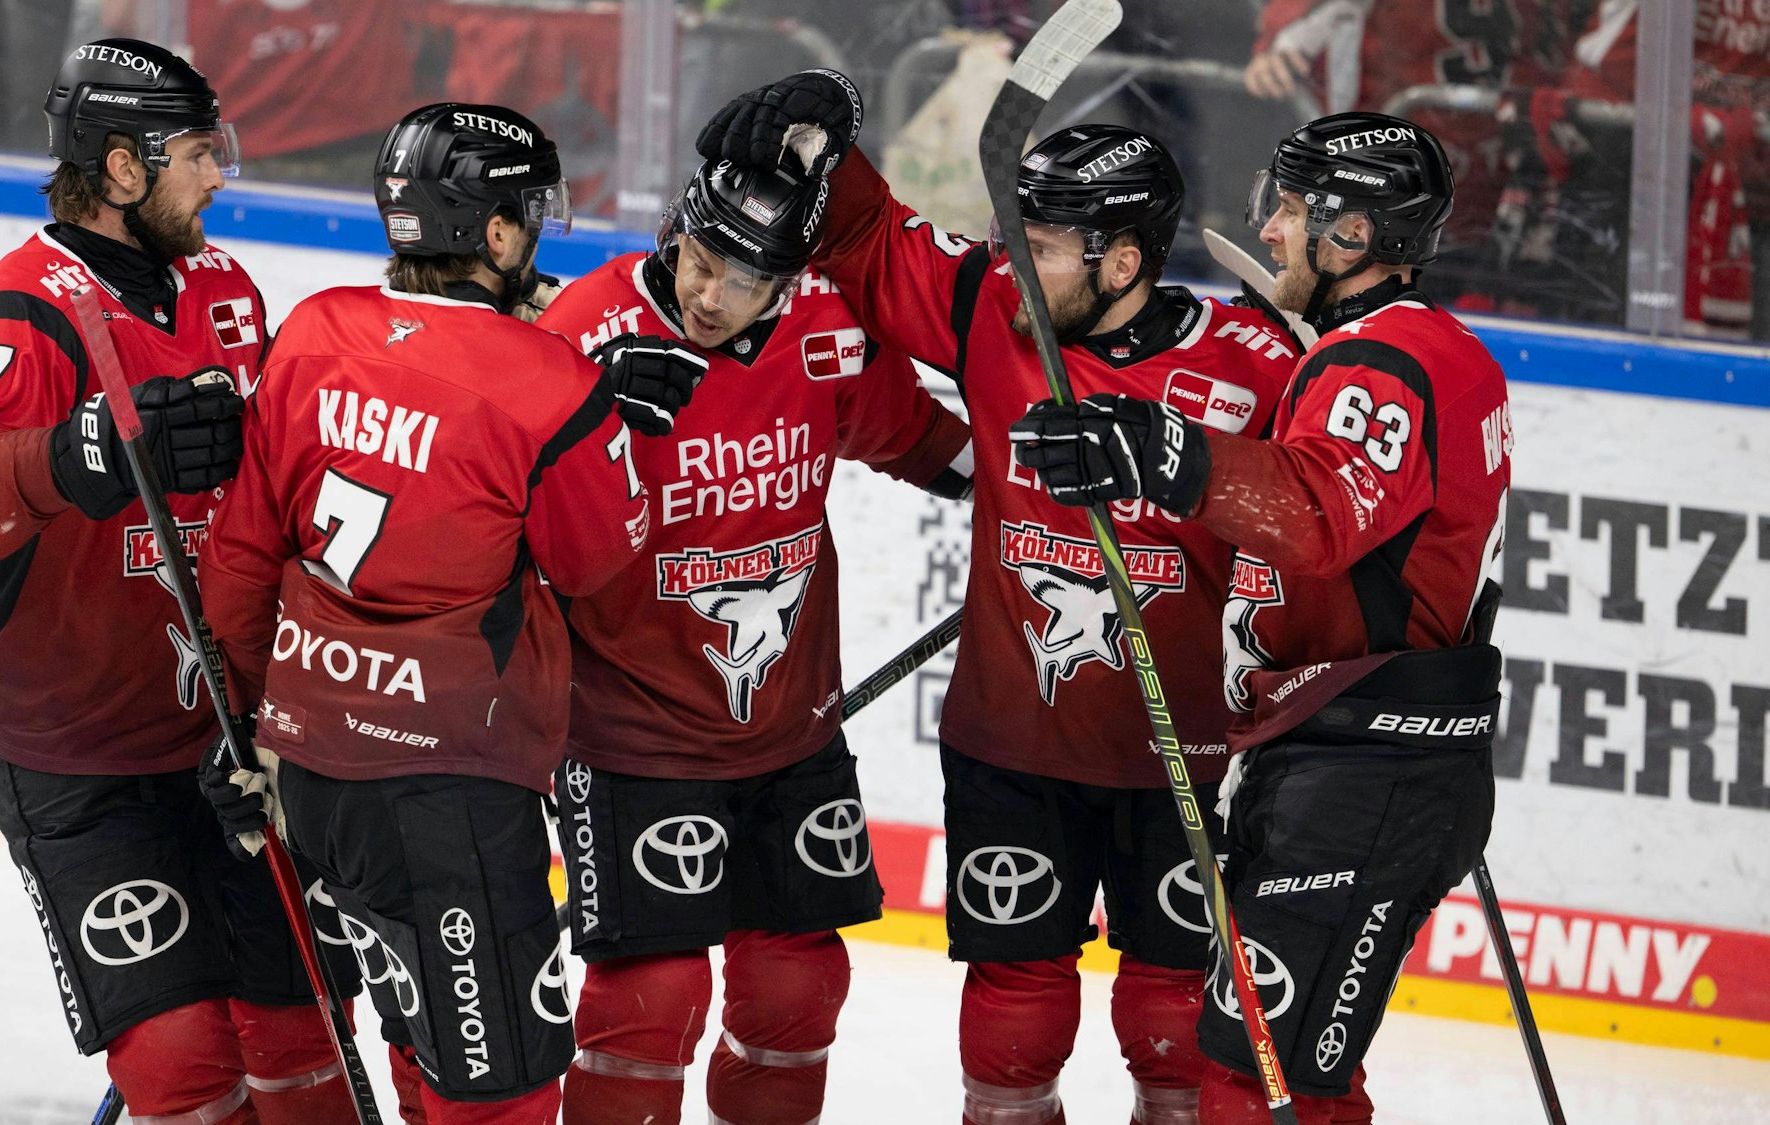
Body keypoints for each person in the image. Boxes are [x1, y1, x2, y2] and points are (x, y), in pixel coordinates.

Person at [697, 72, 1302, 1125]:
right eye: (1008, 233)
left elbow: (1321, 516)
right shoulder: (990, 306)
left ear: (1121, 263)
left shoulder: (1250, 366)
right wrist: (822, 126)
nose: (1009, 259)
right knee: (1010, 1017)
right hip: (1010, 746)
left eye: (1044, 245)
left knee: (1168, 1019)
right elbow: (871, 242)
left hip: (1184, 754)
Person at [196, 102, 707, 1125]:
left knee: (414, 1028)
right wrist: (603, 427)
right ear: (498, 232)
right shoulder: (549, 386)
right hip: (448, 791)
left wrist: (245, 721)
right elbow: (597, 563)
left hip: (310, 771)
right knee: (500, 1087)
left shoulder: (311, 332)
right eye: (529, 212)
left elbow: (241, 560)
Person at [1009, 112, 1510, 1123]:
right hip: (1363, 762)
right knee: (1294, 1074)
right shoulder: (1422, 350)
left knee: (1254, 1087)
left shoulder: (1378, 364)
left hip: (1363, 773)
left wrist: (1161, 455)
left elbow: (1318, 514)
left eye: (1288, 210)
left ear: (1353, 238)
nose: (1269, 232)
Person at [0, 38, 361, 1125]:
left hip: (231, 741)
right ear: (122, 170)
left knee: (306, 1045)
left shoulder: (224, 287)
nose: (220, 174)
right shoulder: (23, 307)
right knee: (179, 1063)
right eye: (198, 154)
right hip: (81, 753)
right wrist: (81, 452)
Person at [530, 152, 973, 1125]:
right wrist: (581, 411)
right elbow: (509, 521)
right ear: (672, 232)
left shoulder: (823, 329)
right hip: (627, 734)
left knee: (796, 989)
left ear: (787, 279)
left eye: (745, 279)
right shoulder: (580, 333)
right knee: (650, 1000)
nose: (709, 295)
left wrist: (1047, 498)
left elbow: (928, 448)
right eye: (698, 261)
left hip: (791, 729)